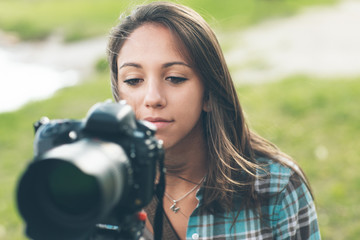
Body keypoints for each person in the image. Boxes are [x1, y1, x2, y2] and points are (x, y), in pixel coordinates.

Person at [107, 1, 320, 239]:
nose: (153, 98)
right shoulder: (99, 187)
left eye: (175, 78)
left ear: (209, 93)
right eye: (134, 80)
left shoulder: (277, 188)